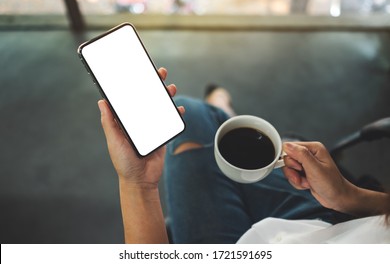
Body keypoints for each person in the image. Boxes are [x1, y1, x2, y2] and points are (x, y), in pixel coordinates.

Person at [97, 67, 390, 243]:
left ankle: (222, 108)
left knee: (192, 120)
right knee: (193, 114)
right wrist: (347, 196)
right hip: (327, 219)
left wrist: (137, 184)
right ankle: (223, 110)